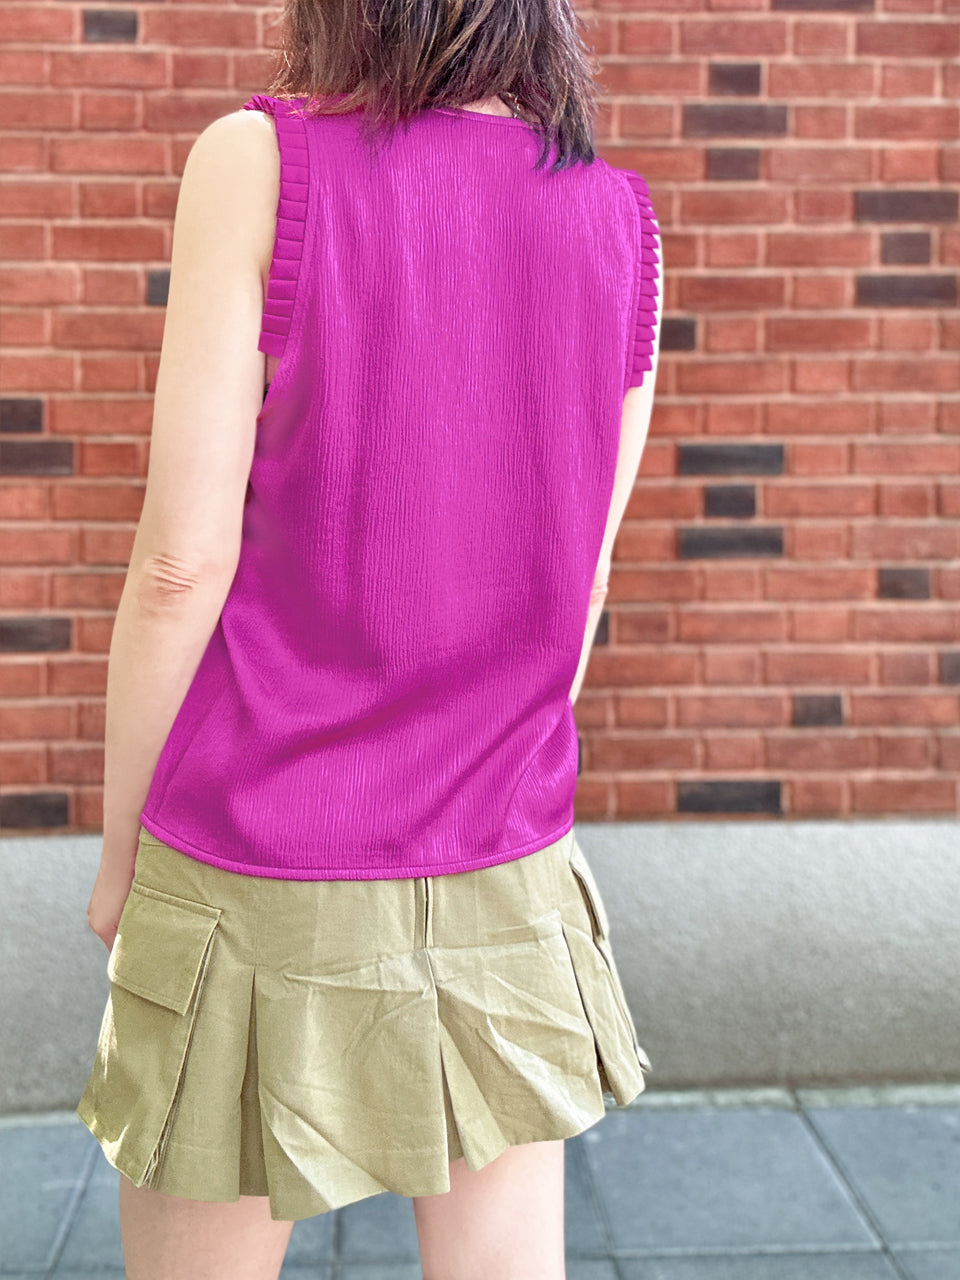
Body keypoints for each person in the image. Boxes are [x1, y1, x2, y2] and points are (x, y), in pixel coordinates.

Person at [75, 0, 663, 1272]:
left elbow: (179, 567)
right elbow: (582, 587)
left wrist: (123, 856)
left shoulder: (259, 161)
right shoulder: (618, 216)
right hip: (503, 850)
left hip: (255, 850)